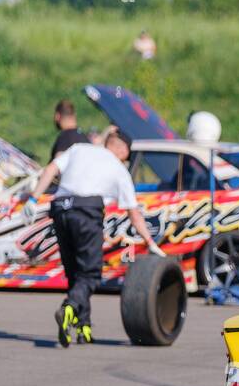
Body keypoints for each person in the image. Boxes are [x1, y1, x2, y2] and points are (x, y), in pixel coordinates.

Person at [23, 129, 165, 347]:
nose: (127, 159)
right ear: (121, 149)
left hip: (60, 209)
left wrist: (33, 199)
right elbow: (134, 214)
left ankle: (83, 328)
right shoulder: (119, 169)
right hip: (86, 212)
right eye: (127, 154)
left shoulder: (79, 149)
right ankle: (69, 308)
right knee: (89, 274)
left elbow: (52, 167)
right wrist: (151, 243)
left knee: (76, 274)